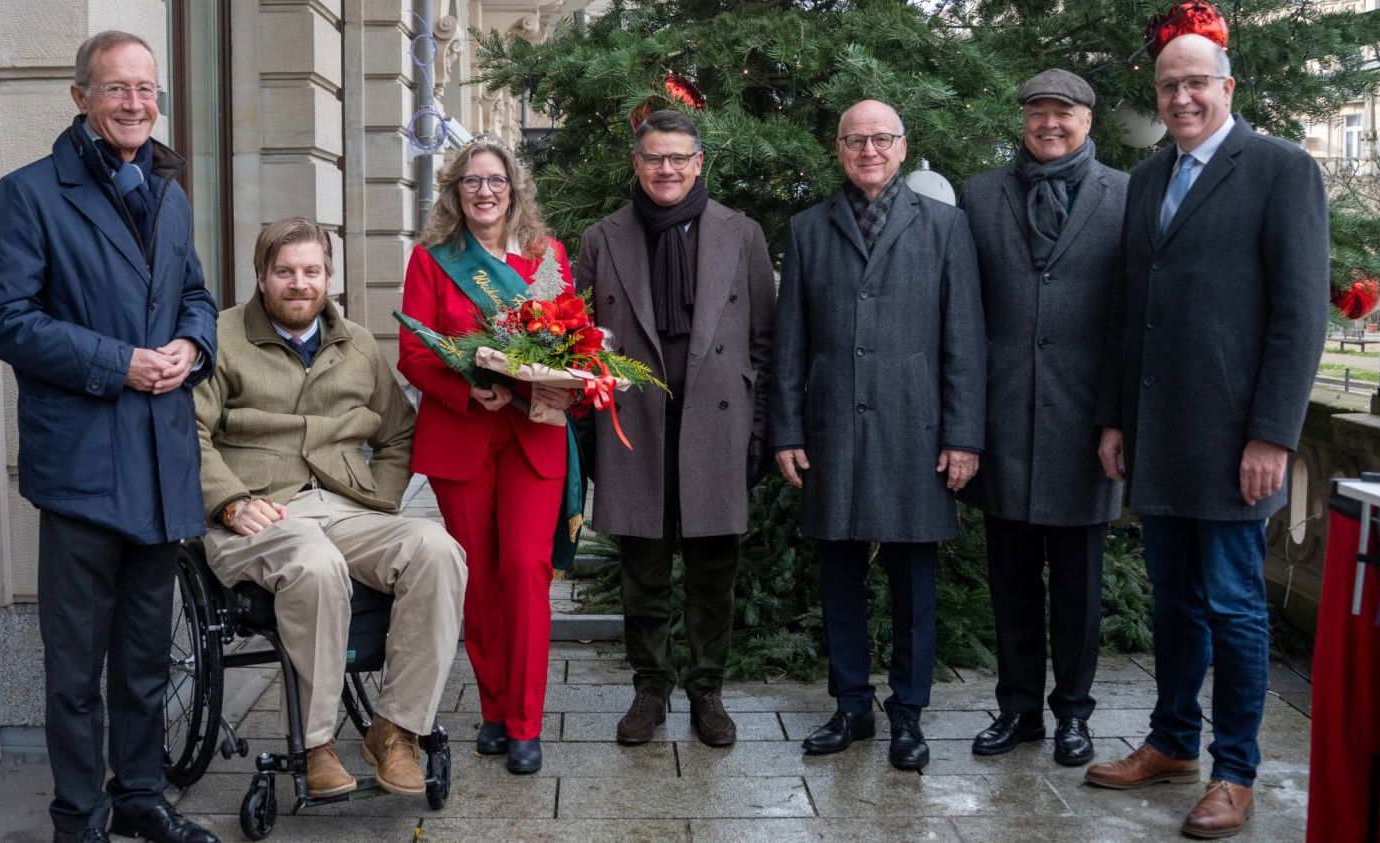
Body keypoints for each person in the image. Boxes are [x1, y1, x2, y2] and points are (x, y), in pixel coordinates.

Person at [0, 31, 219, 843]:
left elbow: (195, 296)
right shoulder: (25, 195)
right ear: (80, 97)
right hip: (80, 465)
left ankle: (141, 796)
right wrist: (121, 364)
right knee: (76, 668)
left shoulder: (170, 194)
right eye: (117, 90)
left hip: (160, 464)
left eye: (147, 90)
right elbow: (0, 318)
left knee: (145, 659)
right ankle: (79, 817)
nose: (136, 104)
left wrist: (193, 345)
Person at [1088, 34, 1329, 839]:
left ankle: (1234, 769)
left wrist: (1271, 434)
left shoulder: (1281, 170)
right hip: (1160, 435)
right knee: (1174, 604)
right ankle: (1170, 742)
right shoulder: (1149, 177)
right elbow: (1130, 310)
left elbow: (1300, 316)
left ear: (1227, 85)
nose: (1181, 99)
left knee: (1233, 607)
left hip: (1235, 446)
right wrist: (1119, 418)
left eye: (1196, 83)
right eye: (1167, 87)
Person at [196, 217, 467, 799]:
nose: (299, 283)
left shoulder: (359, 345)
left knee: (438, 550)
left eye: (311, 271)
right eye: (285, 272)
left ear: (329, 279)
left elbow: (399, 435)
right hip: (257, 510)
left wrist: (384, 500)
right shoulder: (219, 336)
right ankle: (315, 744)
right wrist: (227, 503)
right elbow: (183, 434)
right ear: (261, 277)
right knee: (315, 562)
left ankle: (395, 730)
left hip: (345, 505)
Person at [770, 99, 987, 771]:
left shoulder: (946, 227)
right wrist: (786, 428)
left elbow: (965, 340)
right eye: (855, 139)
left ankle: (909, 714)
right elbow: (790, 344)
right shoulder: (808, 230)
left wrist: (963, 435)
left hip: (916, 433)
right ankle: (852, 706)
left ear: (901, 146)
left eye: (882, 139)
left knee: (912, 582)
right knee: (838, 575)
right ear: (838, 150)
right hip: (833, 430)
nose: (869, 150)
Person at [574, 109, 776, 747]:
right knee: (644, 571)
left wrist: (759, 432)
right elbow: (573, 345)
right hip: (636, 425)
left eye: (678, 158)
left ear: (698, 164)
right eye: (654, 158)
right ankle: (650, 689)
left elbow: (765, 344)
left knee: (715, 569)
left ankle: (708, 691)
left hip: (718, 425)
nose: (667, 169)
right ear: (636, 164)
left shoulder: (740, 235)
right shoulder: (602, 239)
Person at [958, 69, 1127, 768]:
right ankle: (1019, 708)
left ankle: (1074, 715)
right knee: (1013, 581)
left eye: (1064, 113)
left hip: (1087, 426)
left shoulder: (1127, 195)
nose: (1049, 124)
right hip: (1003, 423)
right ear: (1022, 119)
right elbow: (963, 319)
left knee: (1080, 588)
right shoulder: (979, 196)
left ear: (1088, 119)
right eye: (1037, 113)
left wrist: (1119, 417)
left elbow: (1132, 320)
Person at [398, 135, 578, 775]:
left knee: (526, 572)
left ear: (514, 189)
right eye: (471, 181)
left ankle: (528, 722)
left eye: (495, 181)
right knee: (478, 578)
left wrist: (565, 375)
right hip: (466, 435)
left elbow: (571, 342)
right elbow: (415, 353)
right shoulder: (431, 260)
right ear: (454, 191)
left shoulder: (545, 257)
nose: (484, 191)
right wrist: (470, 389)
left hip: (534, 436)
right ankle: (496, 709)